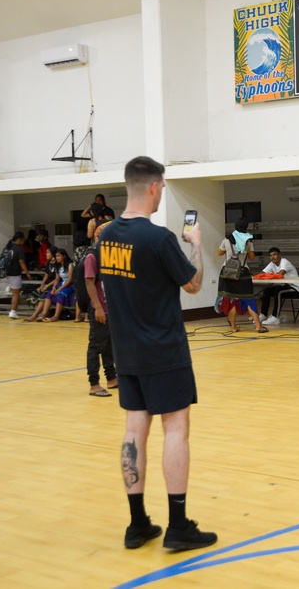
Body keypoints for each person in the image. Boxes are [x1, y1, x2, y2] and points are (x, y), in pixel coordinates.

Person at [98, 156, 217, 552]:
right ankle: (179, 524)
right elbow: (195, 285)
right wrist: (195, 247)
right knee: (176, 430)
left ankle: (137, 524)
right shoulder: (160, 238)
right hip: (164, 351)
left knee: (134, 431)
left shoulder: (105, 238)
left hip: (126, 352)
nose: (162, 192)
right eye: (162, 187)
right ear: (152, 187)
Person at [84, 221, 117, 397]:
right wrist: (97, 307)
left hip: (111, 308)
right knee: (96, 345)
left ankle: (112, 378)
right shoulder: (92, 256)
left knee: (109, 345)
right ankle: (94, 383)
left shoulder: (111, 255)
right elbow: (89, 282)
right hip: (100, 308)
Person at [217, 219, 267, 333]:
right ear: (246, 228)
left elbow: (219, 253)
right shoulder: (248, 241)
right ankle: (258, 325)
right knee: (249, 298)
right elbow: (252, 257)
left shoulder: (227, 239)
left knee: (230, 299)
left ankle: (234, 327)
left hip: (227, 272)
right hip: (243, 272)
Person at [25, 249, 75, 322]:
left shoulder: (70, 265)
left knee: (61, 294)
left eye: (59, 256)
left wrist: (58, 289)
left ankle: (56, 316)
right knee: (49, 294)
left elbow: (70, 280)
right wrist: (54, 287)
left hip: (69, 285)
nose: (57, 258)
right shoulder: (57, 265)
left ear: (64, 256)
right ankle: (43, 315)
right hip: (61, 284)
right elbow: (57, 279)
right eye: (56, 256)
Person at [257, 247, 299, 324]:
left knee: (278, 292)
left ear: (279, 255)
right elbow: (261, 273)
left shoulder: (284, 262)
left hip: (294, 287)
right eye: (271, 255)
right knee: (267, 291)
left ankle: (275, 316)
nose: (272, 257)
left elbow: (280, 274)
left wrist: (268, 275)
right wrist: (264, 275)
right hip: (285, 286)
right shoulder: (272, 264)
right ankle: (264, 314)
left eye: (274, 254)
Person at [5, 232, 33, 320]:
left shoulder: (8, 247)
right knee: (16, 294)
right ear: (19, 240)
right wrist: (28, 273)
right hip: (15, 273)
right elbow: (21, 262)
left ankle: (9, 286)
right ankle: (13, 311)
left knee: (14, 291)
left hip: (7, 273)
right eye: (23, 240)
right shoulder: (19, 249)